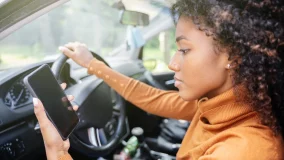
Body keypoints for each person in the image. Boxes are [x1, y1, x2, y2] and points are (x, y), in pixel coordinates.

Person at [33, 0, 284, 159]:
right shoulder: (218, 104)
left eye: (184, 50)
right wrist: (92, 65)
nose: (173, 63)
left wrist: (57, 151)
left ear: (235, 56)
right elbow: (155, 99)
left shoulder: (243, 151)